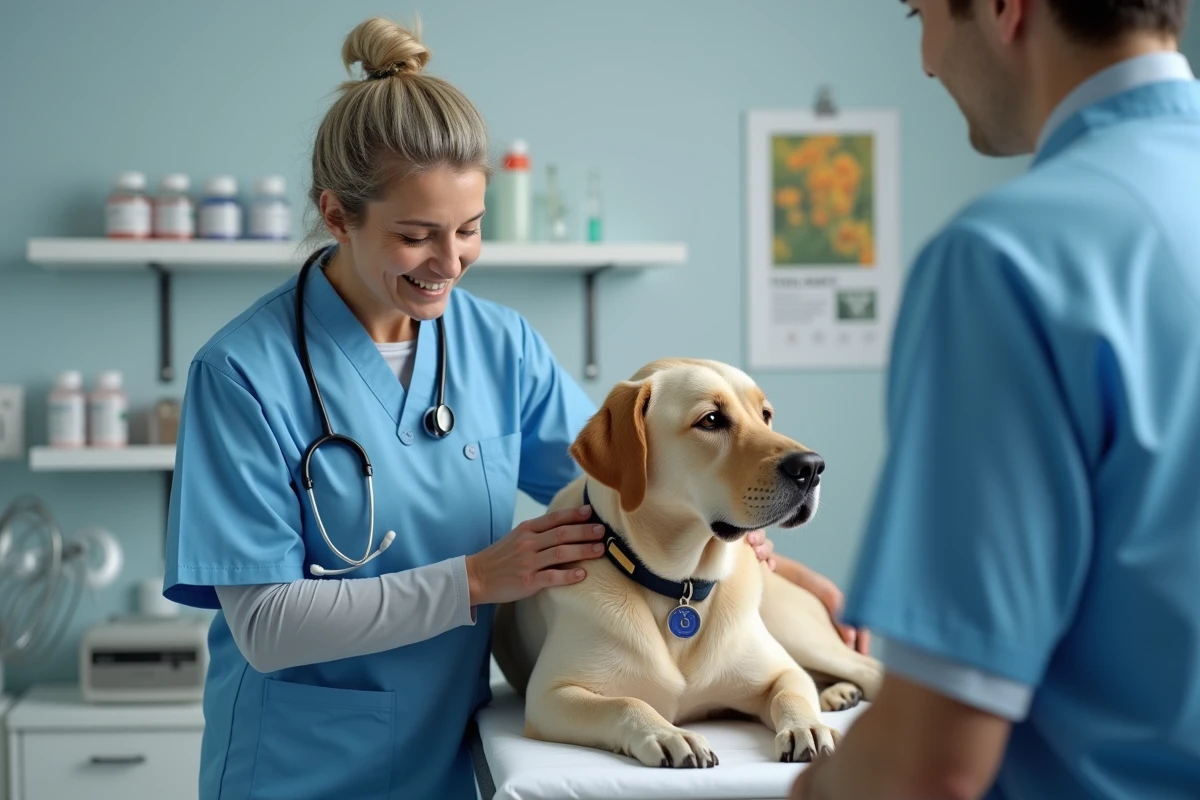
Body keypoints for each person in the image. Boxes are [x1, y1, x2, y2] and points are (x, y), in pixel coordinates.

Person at [162, 16, 859, 799]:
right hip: (300, 765)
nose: (450, 262)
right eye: (417, 236)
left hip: (457, 760)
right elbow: (265, 627)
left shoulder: (500, 346)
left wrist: (776, 567)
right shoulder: (241, 374)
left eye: (469, 229)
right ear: (336, 215)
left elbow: (636, 487)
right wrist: (474, 580)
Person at [791, 1, 1200, 798]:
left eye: (922, 17)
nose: (926, 63)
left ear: (1005, 9)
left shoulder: (1009, 260)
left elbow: (928, 765)